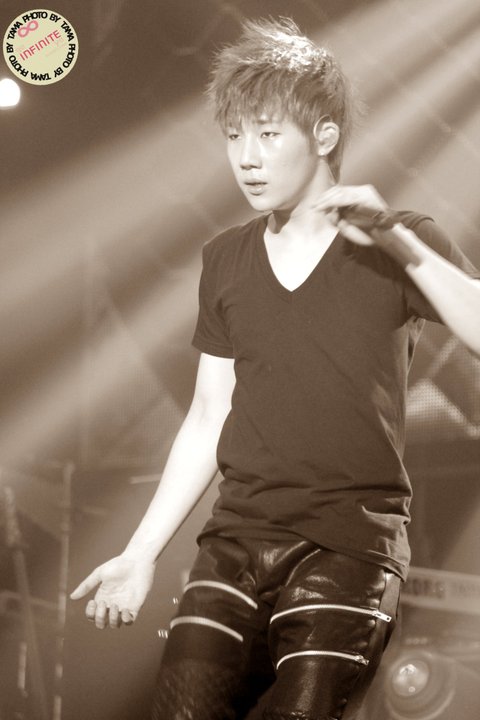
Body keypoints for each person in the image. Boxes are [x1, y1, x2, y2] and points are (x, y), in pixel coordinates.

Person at [70, 17, 480, 720]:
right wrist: (140, 554)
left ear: (323, 135)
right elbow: (209, 414)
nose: (246, 158)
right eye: (234, 137)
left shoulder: (400, 240)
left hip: (351, 546)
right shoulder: (225, 259)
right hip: (234, 542)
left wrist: (398, 244)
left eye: (266, 134)